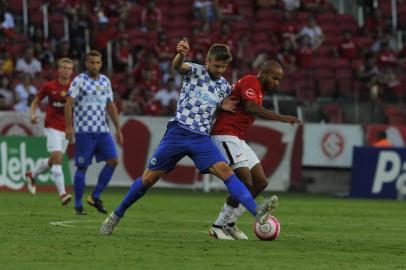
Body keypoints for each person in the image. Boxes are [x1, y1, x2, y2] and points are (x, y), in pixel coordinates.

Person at [100, 39, 276, 235]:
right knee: (148, 179)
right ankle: (116, 215)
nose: (219, 70)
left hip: (201, 138)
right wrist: (182, 54)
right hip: (178, 132)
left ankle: (256, 212)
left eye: (223, 67)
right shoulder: (195, 70)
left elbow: (233, 103)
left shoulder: (224, 87)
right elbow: (177, 66)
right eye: (216, 65)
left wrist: (221, 105)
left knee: (227, 172)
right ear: (207, 61)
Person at [209, 60, 302, 240]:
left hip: (238, 138)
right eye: (275, 78)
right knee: (244, 180)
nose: (277, 83)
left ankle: (229, 224)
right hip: (225, 134)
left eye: (279, 80)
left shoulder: (259, 91)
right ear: (264, 73)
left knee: (260, 182)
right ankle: (217, 226)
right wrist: (281, 117)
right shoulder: (252, 81)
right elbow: (251, 107)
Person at [65, 50, 123, 215]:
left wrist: (118, 128)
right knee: (82, 167)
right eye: (92, 62)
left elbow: (110, 105)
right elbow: (69, 103)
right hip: (84, 131)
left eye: (98, 62)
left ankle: (95, 197)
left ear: (101, 64)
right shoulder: (79, 81)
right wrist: (69, 127)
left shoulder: (105, 81)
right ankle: (78, 205)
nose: (95, 65)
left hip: (103, 130)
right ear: (86, 63)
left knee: (113, 161)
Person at [25, 58, 74, 205]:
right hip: (51, 125)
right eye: (64, 67)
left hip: (66, 128)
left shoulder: (75, 87)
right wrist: (32, 114)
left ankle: (32, 174)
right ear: (58, 70)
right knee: (58, 157)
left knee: (54, 160)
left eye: (69, 68)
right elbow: (36, 100)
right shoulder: (49, 86)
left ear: (72, 71)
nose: (66, 70)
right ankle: (63, 194)